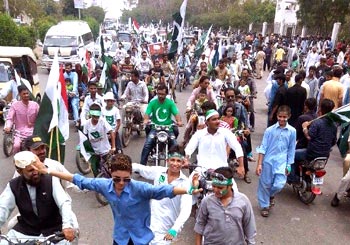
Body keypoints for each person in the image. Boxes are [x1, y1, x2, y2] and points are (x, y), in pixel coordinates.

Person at [32, 153, 201, 245]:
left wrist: (189, 189)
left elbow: (164, 190)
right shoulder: (104, 185)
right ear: (110, 175)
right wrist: (48, 171)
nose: (121, 183)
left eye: (126, 179)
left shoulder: (140, 188)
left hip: (142, 239)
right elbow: (77, 179)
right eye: (116, 179)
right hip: (120, 238)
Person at [0, 151, 76, 244]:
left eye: (36, 168)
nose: (36, 172)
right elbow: (3, 208)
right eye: (30, 171)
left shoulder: (51, 180)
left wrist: (67, 226)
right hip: (25, 232)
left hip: (53, 232)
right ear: (20, 171)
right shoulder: (13, 185)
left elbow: (64, 203)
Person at [132, 145, 192, 244]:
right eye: (172, 160)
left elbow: (186, 209)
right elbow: (141, 168)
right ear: (167, 160)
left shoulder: (185, 183)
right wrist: (121, 165)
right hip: (149, 225)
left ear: (183, 163)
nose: (175, 164)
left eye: (178, 161)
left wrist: (175, 229)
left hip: (166, 231)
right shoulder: (159, 172)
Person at [194, 167, 256, 245]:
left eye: (220, 187)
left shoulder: (243, 201)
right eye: (213, 186)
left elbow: (249, 227)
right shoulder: (207, 201)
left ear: (230, 186)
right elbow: (200, 225)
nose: (215, 190)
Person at [256, 105, 296, 217]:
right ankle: (265, 206)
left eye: (284, 117)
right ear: (277, 116)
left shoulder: (292, 131)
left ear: (289, 117)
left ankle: (270, 195)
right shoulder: (269, 130)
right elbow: (263, 147)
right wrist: (259, 164)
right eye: (280, 116)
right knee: (265, 184)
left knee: (279, 184)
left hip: (282, 162)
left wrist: (289, 165)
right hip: (268, 161)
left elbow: (291, 148)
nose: (282, 119)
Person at [185, 109, 245, 181]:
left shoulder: (226, 132)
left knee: (232, 191)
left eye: (218, 119)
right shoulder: (199, 134)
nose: (217, 121)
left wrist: (241, 166)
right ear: (207, 122)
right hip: (202, 170)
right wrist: (186, 159)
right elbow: (189, 148)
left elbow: (237, 147)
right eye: (214, 119)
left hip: (222, 170)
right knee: (189, 188)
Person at [291, 99, 337, 180]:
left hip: (311, 153)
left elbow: (309, 136)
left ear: (320, 108)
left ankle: (292, 178)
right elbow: (333, 142)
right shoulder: (333, 125)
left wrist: (304, 128)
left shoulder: (317, 123)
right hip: (325, 155)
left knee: (291, 155)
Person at [140, 84, 183, 165]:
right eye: (159, 93)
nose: (160, 96)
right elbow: (147, 113)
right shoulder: (152, 103)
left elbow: (176, 114)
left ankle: (177, 165)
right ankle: (141, 167)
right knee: (147, 145)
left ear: (166, 94)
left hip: (168, 129)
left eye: (162, 94)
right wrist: (145, 120)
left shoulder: (170, 103)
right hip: (155, 128)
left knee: (175, 146)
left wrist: (179, 121)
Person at [82, 103, 116, 176]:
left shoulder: (102, 121)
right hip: (94, 152)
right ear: (91, 114)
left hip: (105, 150)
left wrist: (113, 147)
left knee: (111, 169)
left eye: (97, 116)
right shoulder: (87, 124)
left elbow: (111, 132)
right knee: (94, 170)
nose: (96, 117)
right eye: (94, 116)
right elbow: (84, 137)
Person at [4, 85, 39, 153]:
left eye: (27, 93)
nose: (26, 95)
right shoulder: (15, 106)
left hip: (33, 132)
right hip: (19, 133)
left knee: (38, 147)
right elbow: (10, 118)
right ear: (19, 94)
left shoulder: (35, 105)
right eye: (24, 94)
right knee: (16, 146)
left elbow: (41, 118)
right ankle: (17, 162)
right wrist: (8, 127)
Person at [64, 62, 80, 127]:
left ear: (71, 68)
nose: (67, 69)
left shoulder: (74, 74)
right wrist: (67, 92)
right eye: (66, 68)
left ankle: (77, 121)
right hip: (66, 94)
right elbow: (63, 85)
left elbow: (75, 84)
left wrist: (73, 92)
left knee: (74, 105)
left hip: (74, 94)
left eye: (68, 68)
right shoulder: (63, 75)